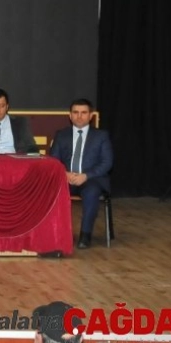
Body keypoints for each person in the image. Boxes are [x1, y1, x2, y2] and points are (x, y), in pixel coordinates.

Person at [49, 98, 113, 249]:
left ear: (90, 116)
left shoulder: (101, 136)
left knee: (92, 192)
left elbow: (107, 163)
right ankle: (56, 233)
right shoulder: (61, 135)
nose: (79, 116)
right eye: (75, 112)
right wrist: (64, 174)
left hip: (91, 179)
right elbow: (53, 160)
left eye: (84, 113)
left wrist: (86, 176)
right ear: (70, 115)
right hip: (66, 179)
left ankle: (85, 235)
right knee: (48, 189)